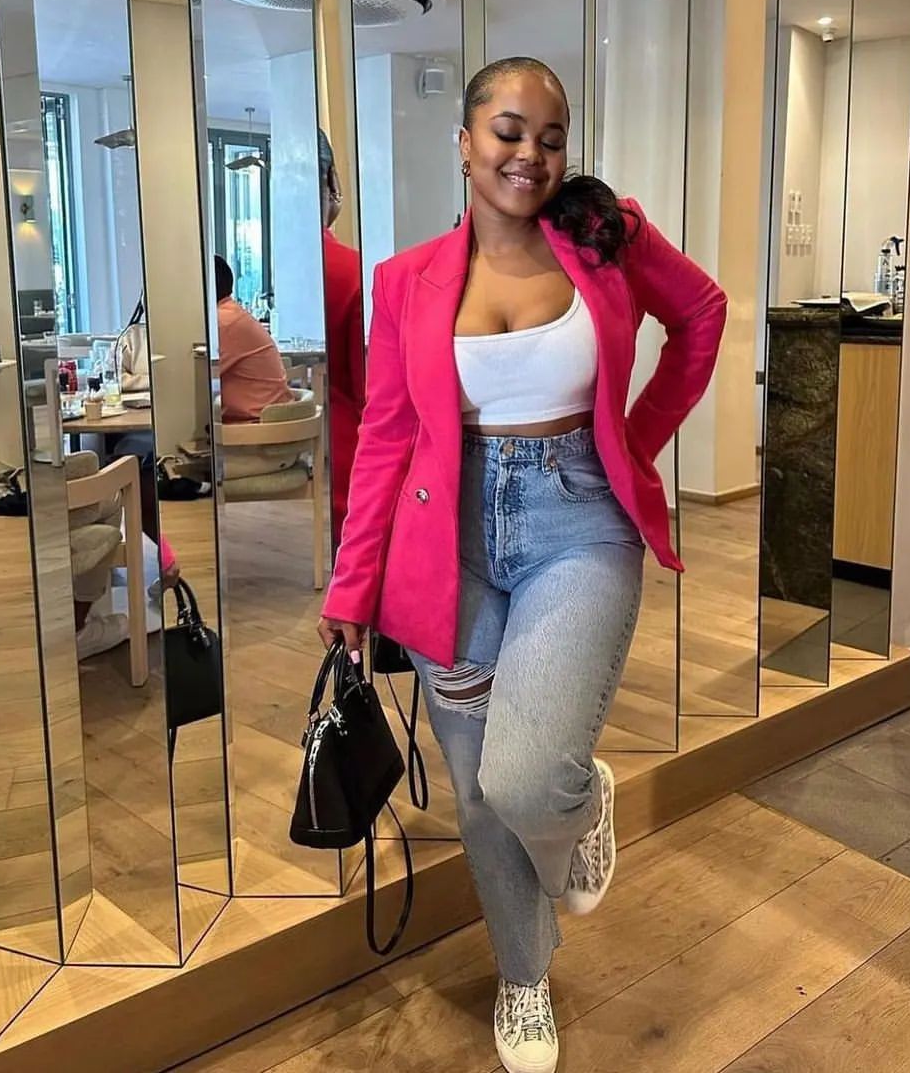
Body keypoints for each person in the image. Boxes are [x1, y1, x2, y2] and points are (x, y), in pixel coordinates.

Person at [318, 57, 726, 1073]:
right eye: (507, 132)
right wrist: (351, 584)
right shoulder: (404, 280)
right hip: (444, 543)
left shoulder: (607, 236)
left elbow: (701, 314)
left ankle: (580, 802)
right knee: (474, 793)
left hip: (576, 522)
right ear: (463, 143)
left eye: (549, 138)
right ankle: (523, 975)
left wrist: (633, 441)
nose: (529, 155)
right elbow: (383, 437)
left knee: (527, 776)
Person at [317, 128, 366, 545]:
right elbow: (366, 389)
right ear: (332, 179)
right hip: (344, 456)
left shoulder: (267, 271)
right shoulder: (352, 270)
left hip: (289, 451)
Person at [214, 255, 293, 423]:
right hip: (269, 417)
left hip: (256, 424)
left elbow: (197, 377)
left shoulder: (222, 322)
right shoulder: (230, 313)